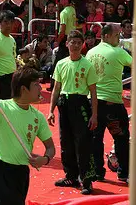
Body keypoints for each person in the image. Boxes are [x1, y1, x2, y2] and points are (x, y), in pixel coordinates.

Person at [0, 66, 55, 205]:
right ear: (23, 89)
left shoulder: (38, 117)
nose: (40, 88)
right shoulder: (2, 108)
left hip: (22, 173)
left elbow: (50, 147)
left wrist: (44, 159)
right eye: (36, 85)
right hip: (2, 171)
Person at [48, 31, 98, 194]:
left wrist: (94, 114)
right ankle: (71, 175)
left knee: (83, 142)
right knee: (66, 141)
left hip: (81, 104)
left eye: (78, 42)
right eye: (72, 42)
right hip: (64, 104)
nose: (75, 45)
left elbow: (93, 92)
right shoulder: (61, 64)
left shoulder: (87, 65)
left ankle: (87, 180)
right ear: (67, 44)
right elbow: (56, 89)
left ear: (82, 44)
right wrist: (51, 110)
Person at [86, 24, 132, 182]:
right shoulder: (118, 52)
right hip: (112, 103)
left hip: (94, 103)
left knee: (95, 139)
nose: (118, 39)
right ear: (106, 36)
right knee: (121, 138)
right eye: (116, 36)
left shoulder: (90, 53)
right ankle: (124, 172)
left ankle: (98, 172)